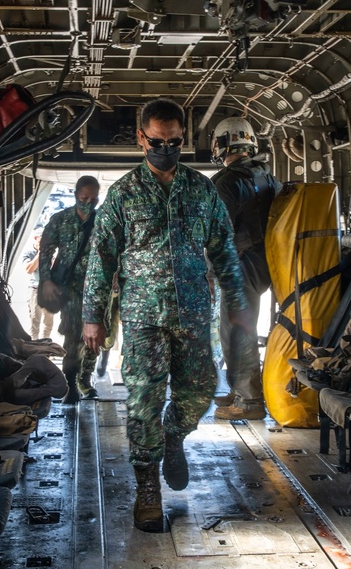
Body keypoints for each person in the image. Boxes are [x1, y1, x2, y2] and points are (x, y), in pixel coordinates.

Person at [81, 97, 254, 533]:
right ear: (142, 138)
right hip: (143, 319)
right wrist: (93, 315)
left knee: (198, 393)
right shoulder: (123, 195)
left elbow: (223, 249)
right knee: (142, 403)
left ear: (184, 139)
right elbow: (101, 259)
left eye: (174, 142)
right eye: (158, 141)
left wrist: (237, 301)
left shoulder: (201, 190)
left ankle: (173, 435)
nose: (166, 149)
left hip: (194, 313)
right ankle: (147, 490)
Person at [209, 116, 282, 421]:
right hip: (270, 261)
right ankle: (242, 390)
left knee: (236, 329)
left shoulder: (226, 182)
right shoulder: (267, 175)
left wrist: (210, 273)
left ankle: (250, 401)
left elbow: (216, 232)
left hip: (239, 265)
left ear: (221, 146)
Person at [39, 175, 101, 403]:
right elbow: (45, 251)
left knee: (95, 338)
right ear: (76, 195)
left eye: (94, 198)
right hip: (71, 288)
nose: (89, 202)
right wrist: (46, 280)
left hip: (97, 288)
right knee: (73, 336)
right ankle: (71, 383)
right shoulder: (60, 220)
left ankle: (85, 380)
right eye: (85, 197)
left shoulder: (103, 220)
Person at [22, 229, 54, 340]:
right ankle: (35, 349)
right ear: (35, 238)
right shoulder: (29, 253)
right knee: (35, 321)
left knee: (48, 322)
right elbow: (29, 269)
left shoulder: (51, 253)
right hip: (35, 289)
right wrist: (40, 253)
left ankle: (46, 348)